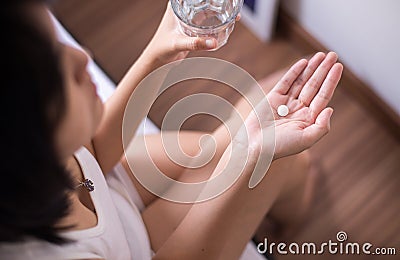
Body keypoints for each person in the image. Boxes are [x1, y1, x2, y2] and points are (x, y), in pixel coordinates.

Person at [0, 0, 343, 259]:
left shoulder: (31, 165)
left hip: (107, 187)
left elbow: (92, 149)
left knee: (246, 129)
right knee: (280, 162)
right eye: (56, 76)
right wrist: (251, 153)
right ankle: (293, 220)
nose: (82, 57)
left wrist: (159, 52)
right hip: (136, 248)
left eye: (58, 41)